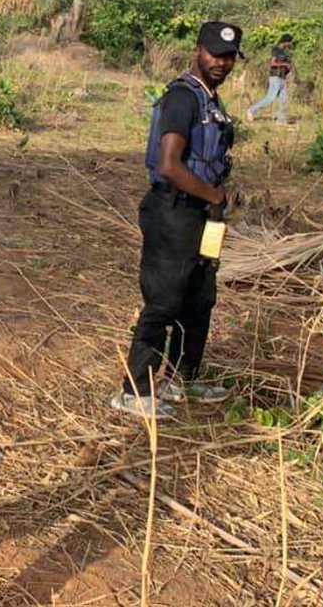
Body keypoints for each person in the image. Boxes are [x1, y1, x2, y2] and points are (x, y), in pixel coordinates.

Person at [112, 22, 241, 419]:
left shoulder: (211, 101)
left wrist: (218, 196)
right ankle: (135, 390)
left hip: (201, 214)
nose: (220, 62)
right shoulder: (183, 98)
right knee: (165, 300)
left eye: (228, 56)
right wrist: (214, 194)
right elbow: (169, 165)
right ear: (197, 50)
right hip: (173, 212)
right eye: (214, 54)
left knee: (199, 298)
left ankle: (183, 379)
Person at [246, 33, 294, 124]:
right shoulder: (276, 49)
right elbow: (272, 64)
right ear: (286, 42)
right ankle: (251, 111)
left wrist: (288, 69)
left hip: (283, 78)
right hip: (275, 77)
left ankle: (281, 121)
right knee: (270, 98)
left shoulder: (286, 52)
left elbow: (287, 66)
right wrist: (285, 64)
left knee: (284, 100)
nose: (291, 44)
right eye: (290, 42)